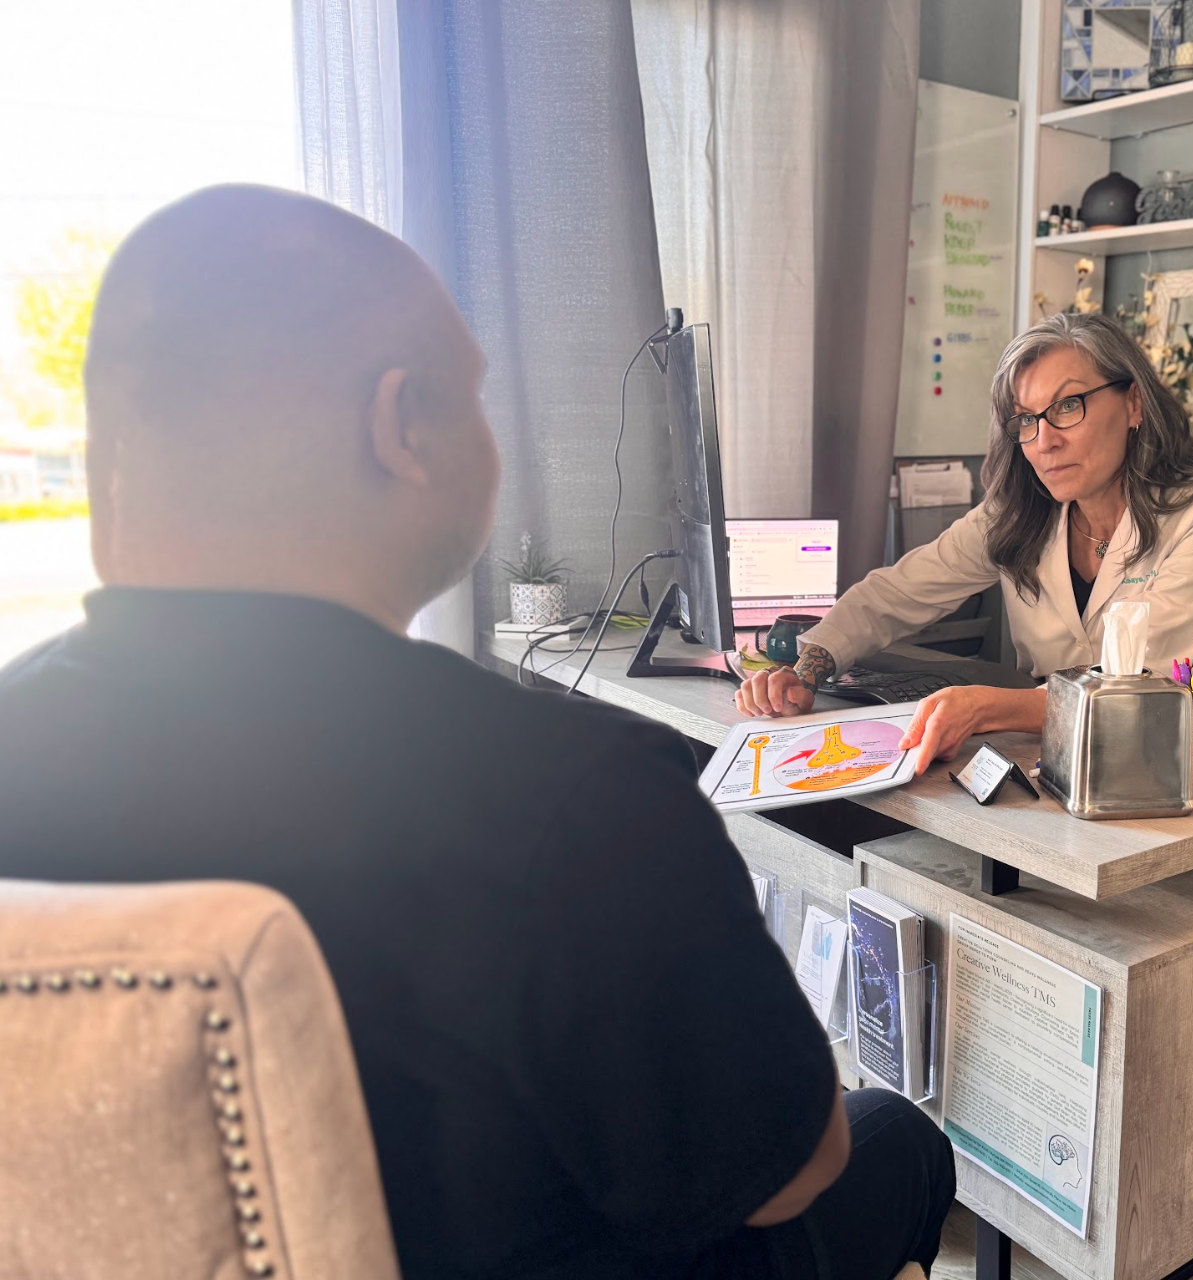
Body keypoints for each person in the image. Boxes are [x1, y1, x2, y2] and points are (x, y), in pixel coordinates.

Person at [0, 185, 953, 1280]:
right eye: (474, 400)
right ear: (400, 426)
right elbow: (792, 1168)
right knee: (895, 1141)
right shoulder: (577, 800)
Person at [737, 311, 1193, 769]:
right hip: (1049, 763)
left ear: (1134, 404)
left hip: (1171, 768)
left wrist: (990, 707)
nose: (1045, 441)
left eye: (1069, 405)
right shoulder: (1020, 513)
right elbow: (898, 593)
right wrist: (808, 669)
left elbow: (1150, 686)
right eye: (1026, 420)